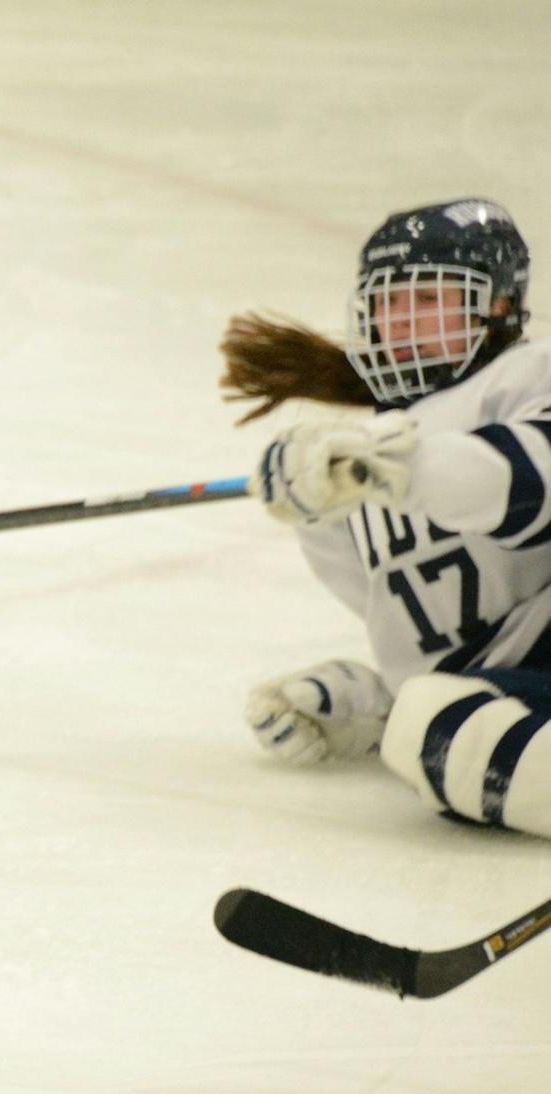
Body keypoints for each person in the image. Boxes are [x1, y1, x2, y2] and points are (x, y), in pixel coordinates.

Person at [222, 198, 551, 834]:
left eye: (428, 301)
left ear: (499, 306)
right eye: (387, 303)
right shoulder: (366, 460)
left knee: (436, 722)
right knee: (434, 722)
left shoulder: (528, 377)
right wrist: (375, 711)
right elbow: (453, 649)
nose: (401, 322)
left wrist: (398, 472)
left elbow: (529, 482)